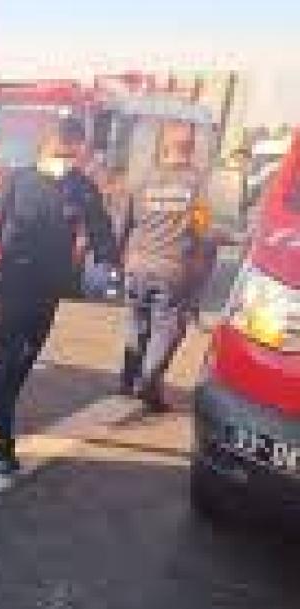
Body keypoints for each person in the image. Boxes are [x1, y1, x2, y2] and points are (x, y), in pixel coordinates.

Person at [0, 117, 121, 477]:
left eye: (73, 155)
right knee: (5, 357)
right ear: (46, 148)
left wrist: (109, 265)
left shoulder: (81, 187)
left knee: (27, 354)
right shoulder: (18, 181)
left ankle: (0, 403)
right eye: (62, 153)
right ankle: (0, 445)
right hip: (12, 281)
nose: (67, 162)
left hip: (50, 287)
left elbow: (101, 228)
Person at [117, 121, 215, 412]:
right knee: (166, 328)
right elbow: (202, 231)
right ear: (191, 148)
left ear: (163, 146)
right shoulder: (196, 186)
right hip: (172, 269)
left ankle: (128, 381)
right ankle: (148, 382)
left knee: (137, 321)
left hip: (137, 265)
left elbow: (124, 223)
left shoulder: (142, 180)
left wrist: (122, 258)